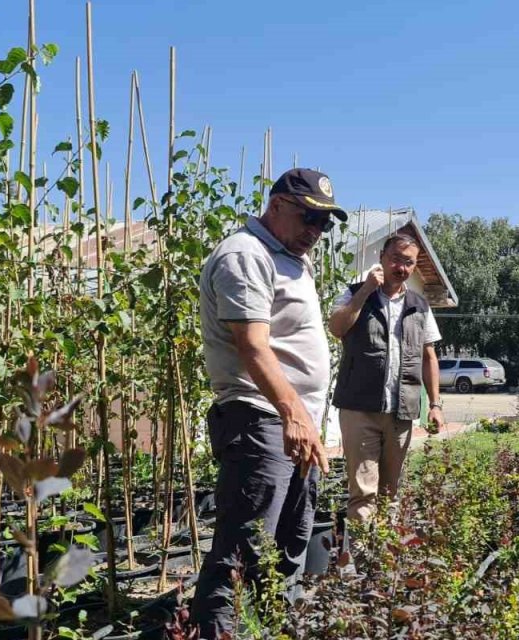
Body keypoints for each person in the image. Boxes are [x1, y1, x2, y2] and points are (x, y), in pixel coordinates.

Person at [192, 168, 347, 638]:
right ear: (276, 204)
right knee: (243, 550)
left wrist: (307, 418)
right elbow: (252, 346)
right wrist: (293, 412)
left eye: (324, 224)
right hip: (261, 419)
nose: (315, 232)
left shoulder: (292, 258)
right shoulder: (246, 254)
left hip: (294, 423)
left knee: (289, 543)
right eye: (308, 218)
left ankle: (269, 629)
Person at [327, 232, 444, 522]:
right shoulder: (354, 293)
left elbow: (429, 357)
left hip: (401, 411)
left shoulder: (420, 305)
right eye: (395, 259)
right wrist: (366, 290)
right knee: (363, 493)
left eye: (408, 262)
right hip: (359, 408)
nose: (400, 268)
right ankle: (360, 561)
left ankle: (385, 562)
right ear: (381, 257)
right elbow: (337, 328)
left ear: (414, 267)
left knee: (391, 493)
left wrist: (436, 405)